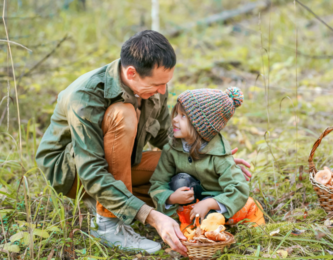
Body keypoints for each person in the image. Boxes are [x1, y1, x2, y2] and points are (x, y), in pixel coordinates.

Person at [35, 30, 252, 255]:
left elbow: (166, 138)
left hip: (122, 162)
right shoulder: (85, 96)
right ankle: (108, 225)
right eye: (157, 84)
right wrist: (152, 217)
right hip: (73, 173)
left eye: (166, 83)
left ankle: (116, 200)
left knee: (183, 176)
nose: (163, 90)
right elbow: (91, 170)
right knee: (123, 114)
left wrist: (211, 159)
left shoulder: (153, 88)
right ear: (131, 73)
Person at [149, 87, 265, 231]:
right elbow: (157, 183)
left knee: (247, 208)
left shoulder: (219, 154)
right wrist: (171, 197)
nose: (174, 119)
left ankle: (232, 220)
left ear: (200, 126)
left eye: (183, 116)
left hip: (217, 207)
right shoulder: (171, 148)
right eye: (176, 114)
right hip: (188, 206)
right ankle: (191, 225)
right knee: (180, 180)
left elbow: (238, 189)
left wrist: (210, 203)